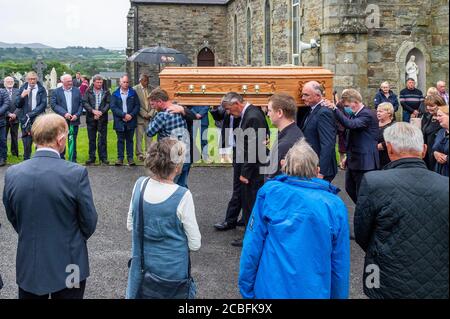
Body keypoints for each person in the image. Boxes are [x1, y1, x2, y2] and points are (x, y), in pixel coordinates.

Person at [239, 139, 350, 299]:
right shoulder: (334, 204)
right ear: (317, 170)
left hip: (270, 290)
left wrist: (246, 289)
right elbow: (339, 262)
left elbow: (252, 246)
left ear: (284, 166)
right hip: (314, 291)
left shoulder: (270, 193)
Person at [2, 113, 98, 299]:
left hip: (30, 259)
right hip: (71, 261)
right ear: (61, 140)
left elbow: (13, 216)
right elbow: (89, 221)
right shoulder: (75, 174)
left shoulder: (13, 173)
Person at [354, 122, 448, 299]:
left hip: (385, 274)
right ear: (424, 149)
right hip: (438, 277)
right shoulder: (446, 185)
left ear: (389, 148)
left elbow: (362, 233)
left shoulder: (374, 182)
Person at [126, 138, 201, 299]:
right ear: (177, 165)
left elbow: (131, 225)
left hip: (142, 270)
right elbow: (195, 243)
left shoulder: (140, 185)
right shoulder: (183, 196)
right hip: (172, 275)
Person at [221, 92, 269, 247]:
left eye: (229, 108)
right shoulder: (251, 112)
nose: (228, 112)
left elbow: (253, 148)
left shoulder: (252, 116)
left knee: (250, 202)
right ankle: (250, 231)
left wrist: (245, 173)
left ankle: (251, 237)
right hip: (250, 163)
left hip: (252, 168)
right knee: (248, 199)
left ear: (237, 104)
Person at [328, 89, 379, 204]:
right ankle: (364, 210)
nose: (346, 108)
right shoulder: (355, 115)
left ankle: (367, 214)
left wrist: (335, 109)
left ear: (355, 102)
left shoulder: (367, 114)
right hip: (354, 160)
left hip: (365, 163)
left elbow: (351, 125)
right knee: (350, 188)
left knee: (363, 193)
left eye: (346, 105)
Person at [147, 88, 191, 188]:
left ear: (160, 102)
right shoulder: (179, 109)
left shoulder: (162, 116)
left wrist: (153, 116)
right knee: (182, 185)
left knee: (169, 187)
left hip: (170, 158)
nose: (152, 107)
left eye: (153, 105)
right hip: (185, 155)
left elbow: (149, 132)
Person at [212, 104, 245, 231]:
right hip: (236, 150)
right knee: (240, 187)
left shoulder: (244, 113)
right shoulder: (228, 111)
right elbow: (218, 116)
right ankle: (241, 218)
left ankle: (231, 220)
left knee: (239, 187)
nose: (228, 111)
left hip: (245, 151)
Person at [300, 81, 337, 182]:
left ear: (317, 96)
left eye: (306, 95)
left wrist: (321, 171)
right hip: (312, 164)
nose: (303, 98)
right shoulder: (310, 109)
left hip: (320, 169)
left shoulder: (323, 113)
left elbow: (328, 143)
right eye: (302, 94)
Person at [265, 93, 303, 179]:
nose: (268, 114)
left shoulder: (286, 144)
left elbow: (274, 178)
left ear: (279, 113)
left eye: (270, 110)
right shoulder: (292, 132)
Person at [51, 74, 83, 162]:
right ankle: (61, 160)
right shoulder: (56, 92)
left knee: (73, 140)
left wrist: (77, 114)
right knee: (61, 140)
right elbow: (54, 105)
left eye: (71, 80)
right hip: (62, 121)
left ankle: (73, 159)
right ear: (62, 82)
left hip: (74, 120)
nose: (70, 82)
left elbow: (81, 104)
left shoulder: (77, 91)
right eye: (68, 81)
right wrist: (64, 113)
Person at [15, 71, 47, 160]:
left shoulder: (41, 89)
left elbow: (43, 104)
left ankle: (39, 160)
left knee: (39, 140)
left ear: (37, 79)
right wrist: (22, 96)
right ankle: (26, 160)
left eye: (34, 79)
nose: (32, 81)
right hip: (25, 119)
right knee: (26, 141)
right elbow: (17, 104)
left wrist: (32, 114)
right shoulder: (22, 88)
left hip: (38, 118)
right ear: (27, 80)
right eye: (30, 79)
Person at [110, 75, 140, 166]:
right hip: (120, 120)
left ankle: (130, 158)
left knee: (130, 140)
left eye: (127, 82)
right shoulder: (115, 94)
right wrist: (123, 115)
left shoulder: (133, 93)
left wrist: (130, 115)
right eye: (124, 82)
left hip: (131, 120)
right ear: (120, 82)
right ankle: (120, 158)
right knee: (120, 140)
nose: (126, 84)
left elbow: (137, 106)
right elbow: (113, 107)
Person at [83, 74, 111, 165]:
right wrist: (93, 111)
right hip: (91, 118)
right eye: (98, 82)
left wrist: (101, 112)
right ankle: (92, 157)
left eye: (101, 82)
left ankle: (103, 158)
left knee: (103, 139)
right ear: (94, 82)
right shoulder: (88, 91)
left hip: (102, 118)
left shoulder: (106, 91)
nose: (99, 84)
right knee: (92, 139)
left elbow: (108, 103)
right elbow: (85, 102)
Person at [133, 74, 155, 162]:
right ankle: (139, 154)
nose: (147, 82)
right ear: (140, 80)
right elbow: (135, 104)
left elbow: (155, 102)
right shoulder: (135, 89)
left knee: (149, 137)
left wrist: (150, 114)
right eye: (145, 80)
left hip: (150, 117)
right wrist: (144, 114)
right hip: (140, 118)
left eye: (148, 80)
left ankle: (149, 154)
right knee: (139, 137)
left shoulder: (152, 89)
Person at [421, 95, 446, 170]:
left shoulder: (445, 119)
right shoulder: (428, 116)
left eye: (432, 105)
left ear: (440, 105)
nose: (428, 108)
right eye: (427, 105)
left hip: (439, 155)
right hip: (427, 153)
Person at [3, 76, 20, 158]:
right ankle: (4, 153)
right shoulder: (1, 92)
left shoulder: (18, 91)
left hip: (15, 118)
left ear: (14, 82)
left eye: (11, 81)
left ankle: (15, 152)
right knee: (3, 137)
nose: (10, 82)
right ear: (4, 83)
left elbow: (21, 104)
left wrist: (15, 114)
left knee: (15, 136)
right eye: (8, 81)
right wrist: (8, 114)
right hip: (3, 118)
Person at [376, 102, 396, 168]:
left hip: (386, 159)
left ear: (389, 113)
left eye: (381, 111)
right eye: (377, 111)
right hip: (373, 158)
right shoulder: (373, 124)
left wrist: (379, 146)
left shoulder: (393, 126)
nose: (378, 113)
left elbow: (394, 141)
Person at [433, 105, 449, 177]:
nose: (437, 118)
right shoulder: (441, 132)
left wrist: (446, 158)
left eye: (440, 116)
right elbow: (435, 148)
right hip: (439, 172)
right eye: (437, 116)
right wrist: (435, 153)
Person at [0, 85, 10, 166]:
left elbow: (6, 103)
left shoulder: (3, 92)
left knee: (2, 140)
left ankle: (3, 158)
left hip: (1, 121)